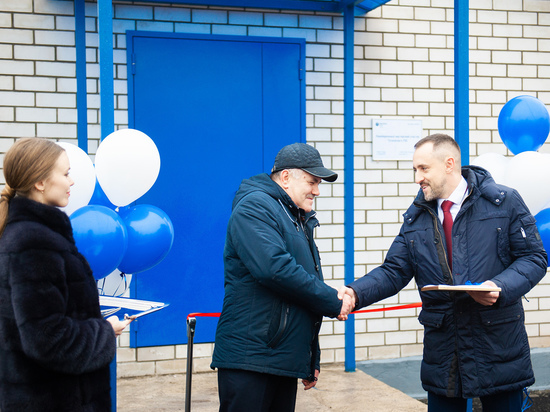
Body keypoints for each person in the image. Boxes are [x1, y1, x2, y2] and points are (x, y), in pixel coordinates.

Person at [339, 134, 547, 412]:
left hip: (498, 347)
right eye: (415, 169)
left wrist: (500, 286)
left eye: (423, 169)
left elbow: (534, 257)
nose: (417, 178)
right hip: (445, 351)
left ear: (449, 164)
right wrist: (354, 293)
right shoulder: (417, 216)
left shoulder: (504, 202)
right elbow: (393, 271)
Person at [211, 142, 353, 412]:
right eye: (312, 181)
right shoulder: (254, 207)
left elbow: (300, 287)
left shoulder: (296, 216)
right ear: (286, 177)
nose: (317, 190)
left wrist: (312, 357)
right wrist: (333, 300)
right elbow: (275, 269)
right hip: (251, 359)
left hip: (280, 359)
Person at [0, 137, 132, 411]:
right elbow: (46, 337)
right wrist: (104, 331)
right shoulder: (34, 242)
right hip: (54, 399)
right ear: (40, 182)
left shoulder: (32, 235)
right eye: (66, 173)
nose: (72, 182)